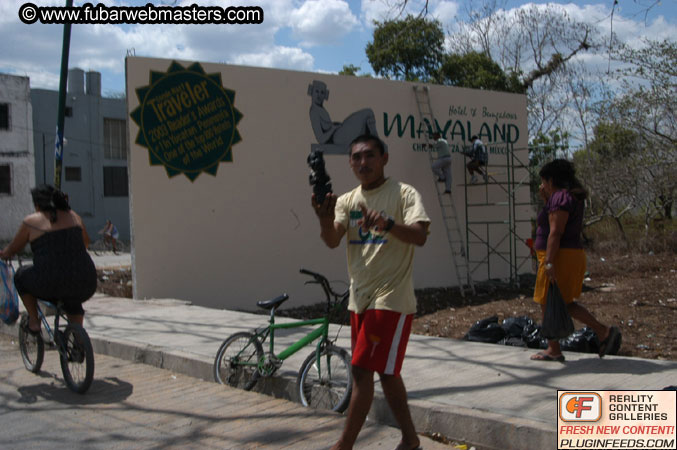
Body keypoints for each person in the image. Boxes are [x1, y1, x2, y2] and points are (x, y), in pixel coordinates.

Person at [311, 134, 430, 450]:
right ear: (350, 163)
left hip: (390, 299)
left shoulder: (403, 194)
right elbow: (332, 239)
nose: (363, 163)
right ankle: (410, 438)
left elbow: (420, 235)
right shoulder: (348, 201)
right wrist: (324, 218)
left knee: (362, 370)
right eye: (356, 158)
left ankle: (344, 445)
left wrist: (389, 225)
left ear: (384, 158)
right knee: (387, 373)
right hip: (359, 299)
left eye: (369, 155)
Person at [531, 160, 621, 362]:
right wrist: (547, 200)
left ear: (551, 180)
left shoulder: (560, 198)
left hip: (559, 256)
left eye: (544, 181)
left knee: (548, 301)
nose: (542, 186)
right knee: (561, 302)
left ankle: (555, 349)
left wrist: (550, 262)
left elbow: (555, 232)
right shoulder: (563, 197)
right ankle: (602, 332)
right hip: (566, 255)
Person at [0, 185, 97, 333]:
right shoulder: (74, 216)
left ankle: (33, 319)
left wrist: (4, 254)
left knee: (20, 276)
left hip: (49, 282)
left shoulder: (32, 221)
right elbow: (86, 243)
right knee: (73, 298)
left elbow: (11, 250)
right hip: (86, 281)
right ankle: (78, 338)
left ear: (37, 205)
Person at [308, 80, 379, 152]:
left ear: (325, 95)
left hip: (339, 131)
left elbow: (328, 126)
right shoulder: (314, 111)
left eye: (322, 92)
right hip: (338, 137)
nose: (319, 95)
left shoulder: (320, 108)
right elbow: (321, 139)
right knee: (368, 112)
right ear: (311, 92)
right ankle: (376, 140)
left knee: (366, 117)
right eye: (316, 91)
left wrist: (335, 125)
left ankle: (374, 141)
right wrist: (333, 128)